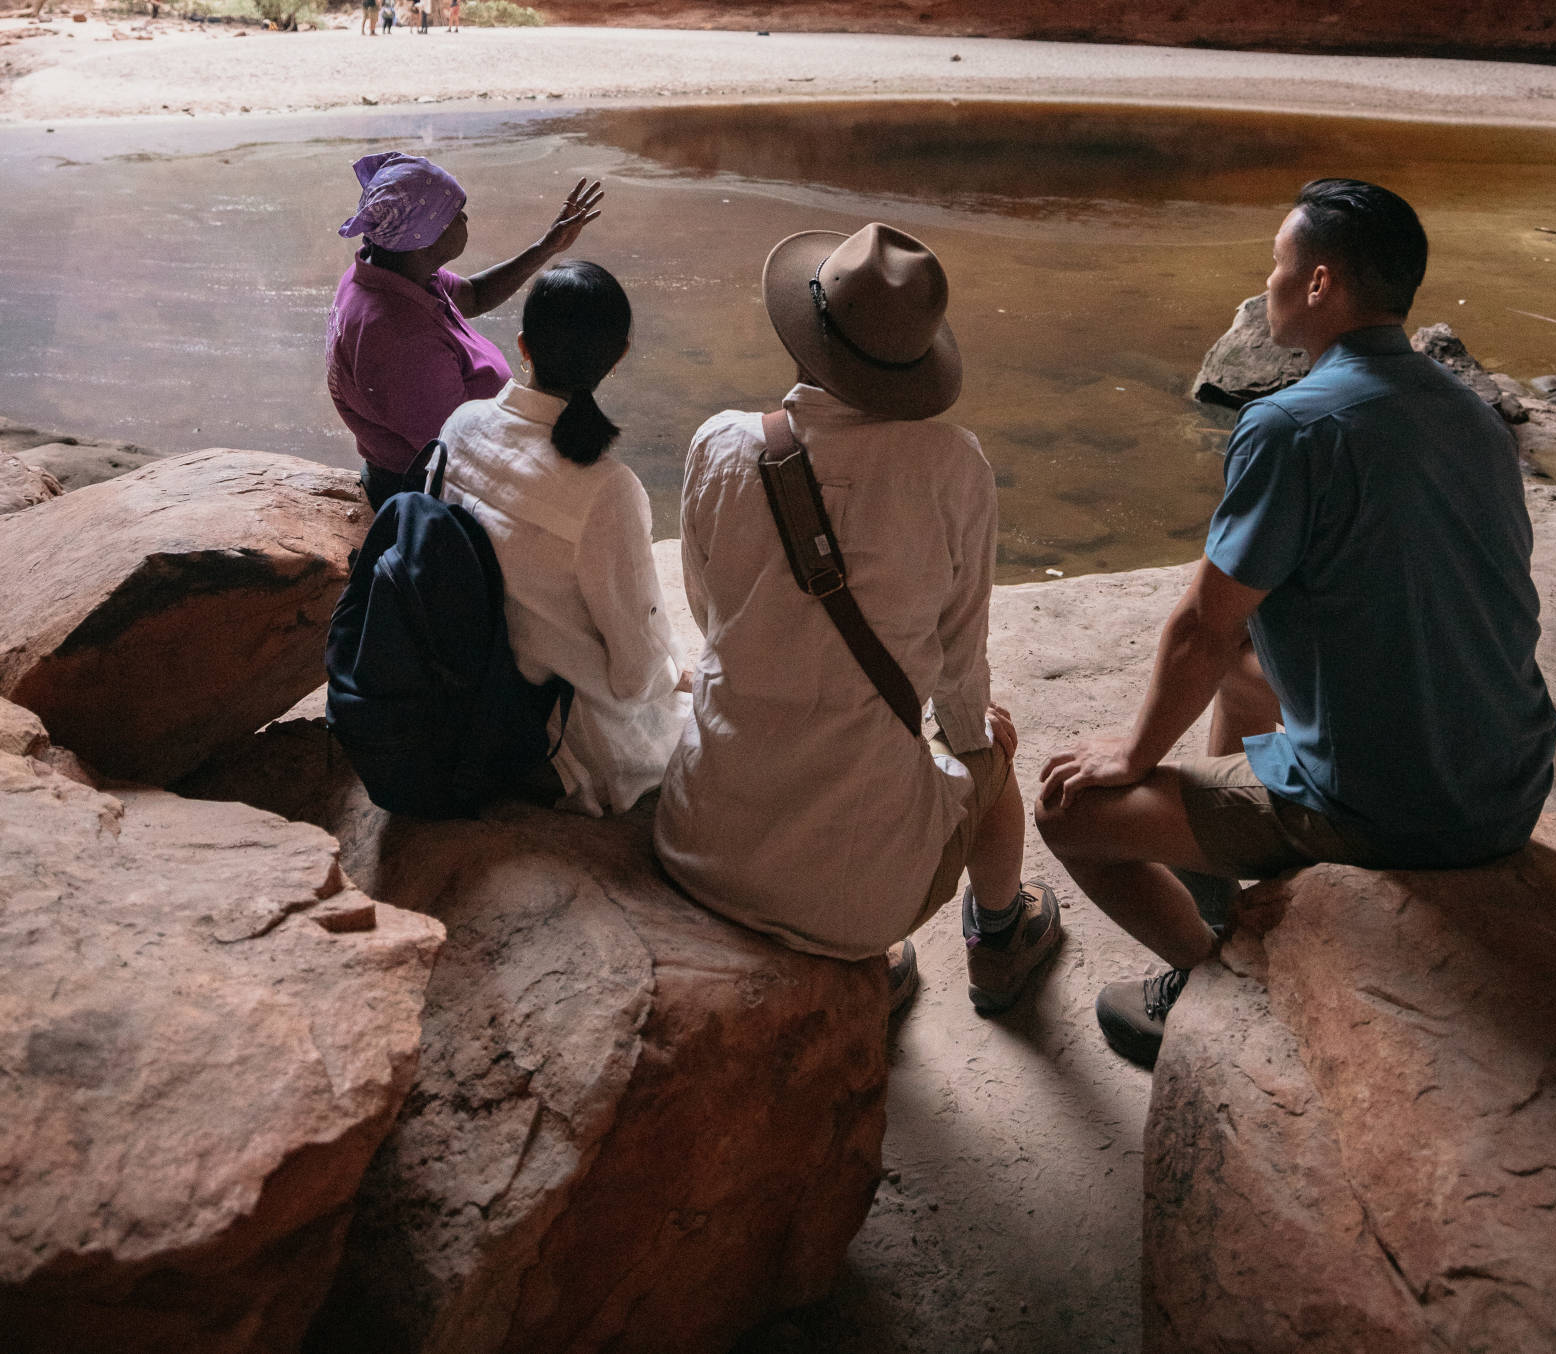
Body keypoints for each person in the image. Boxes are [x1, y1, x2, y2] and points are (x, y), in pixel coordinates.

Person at [1037, 178, 1556, 1070]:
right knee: (1248, 666)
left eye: (1276, 266)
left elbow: (1199, 626)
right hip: (1509, 779)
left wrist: (1132, 754)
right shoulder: (1471, 414)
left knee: (1069, 812)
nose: (1266, 283)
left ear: (1319, 284)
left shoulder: (1288, 426)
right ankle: (1231, 883)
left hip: (1397, 809)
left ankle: (1224, 983)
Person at [653, 221, 1062, 1015]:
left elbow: (708, 615)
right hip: (852, 907)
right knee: (992, 744)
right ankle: (1004, 937)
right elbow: (958, 666)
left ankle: (877, 961)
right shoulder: (954, 467)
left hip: (699, 846)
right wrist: (975, 748)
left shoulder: (720, 444)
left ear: (805, 335)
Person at [442, 261, 692, 814]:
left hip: (459, 684)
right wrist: (675, 675)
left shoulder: (460, 424)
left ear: (523, 346)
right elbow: (634, 675)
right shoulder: (607, 488)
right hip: (555, 738)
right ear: (619, 356)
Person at [325, 151, 604, 510]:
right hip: (429, 493)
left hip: (442, 465)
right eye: (455, 215)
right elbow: (458, 452)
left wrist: (547, 246)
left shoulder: (391, 270)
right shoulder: (400, 338)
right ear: (423, 240)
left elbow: (473, 295)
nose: (465, 218)